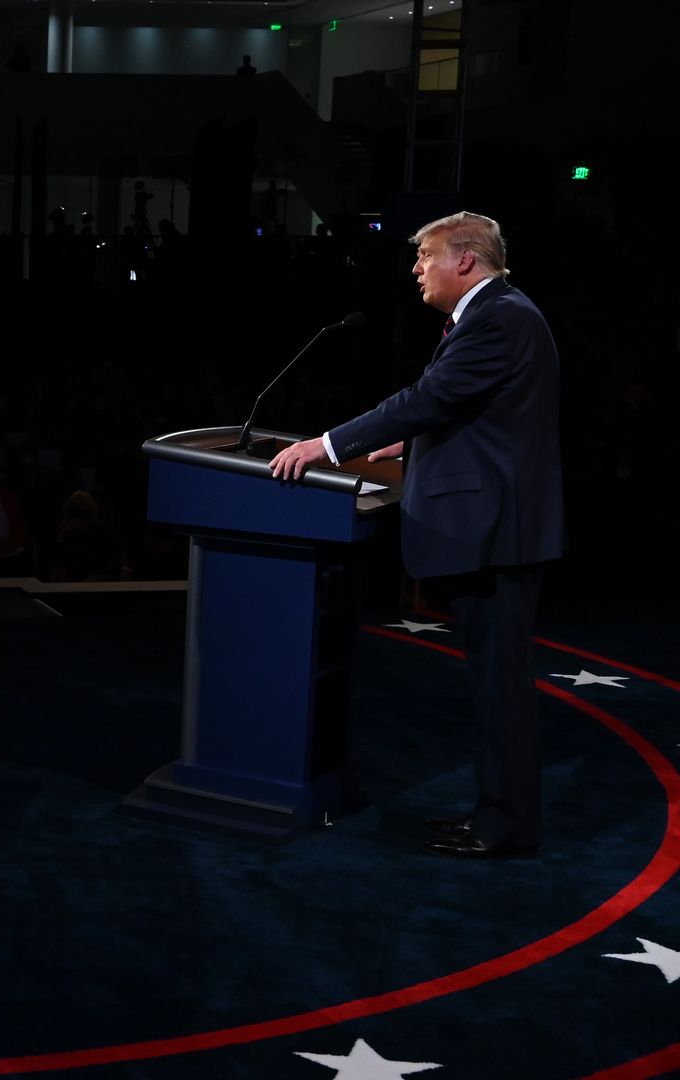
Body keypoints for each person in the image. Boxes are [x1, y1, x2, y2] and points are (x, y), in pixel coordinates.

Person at [268, 211, 562, 860]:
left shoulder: (500, 318)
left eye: (425, 256)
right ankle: (494, 814)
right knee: (492, 688)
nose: (416, 269)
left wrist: (330, 443)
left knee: (501, 690)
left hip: (496, 534)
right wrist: (412, 438)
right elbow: (468, 408)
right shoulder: (498, 314)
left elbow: (427, 398)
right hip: (492, 528)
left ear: (465, 260)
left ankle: (506, 825)